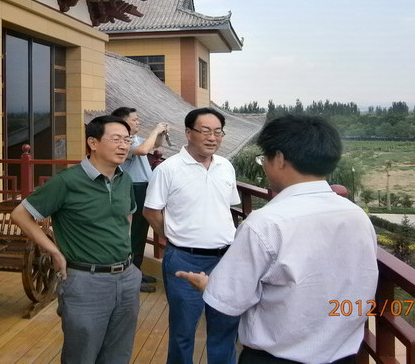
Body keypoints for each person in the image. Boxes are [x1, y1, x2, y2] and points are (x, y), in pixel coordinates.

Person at [177, 114, 379, 364]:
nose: (264, 165)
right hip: (343, 356)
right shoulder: (357, 216)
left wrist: (208, 285)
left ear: (280, 159)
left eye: (265, 158)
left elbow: (229, 300)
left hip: (274, 358)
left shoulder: (265, 223)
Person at [11, 115, 141, 364]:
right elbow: (20, 215)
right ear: (93, 143)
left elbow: (127, 216)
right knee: (81, 355)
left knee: (119, 354)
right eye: (116, 139)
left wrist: (127, 255)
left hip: (126, 277)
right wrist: (54, 251)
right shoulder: (67, 181)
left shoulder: (124, 179)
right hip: (85, 281)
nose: (124, 146)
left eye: (127, 140)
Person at [143, 107, 240, 364]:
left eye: (218, 132)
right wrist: (173, 238)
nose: (212, 138)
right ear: (188, 133)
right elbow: (150, 212)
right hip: (184, 260)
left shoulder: (226, 166)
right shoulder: (168, 169)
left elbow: (226, 207)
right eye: (205, 131)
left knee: (225, 330)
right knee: (183, 332)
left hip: (225, 260)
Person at [111, 106, 169, 292]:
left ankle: (137, 270)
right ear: (123, 122)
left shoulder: (135, 139)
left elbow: (155, 144)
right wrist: (155, 130)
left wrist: (160, 134)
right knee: (134, 233)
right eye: (134, 119)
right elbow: (144, 150)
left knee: (141, 232)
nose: (138, 122)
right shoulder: (122, 142)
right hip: (133, 189)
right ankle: (132, 277)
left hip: (144, 188)